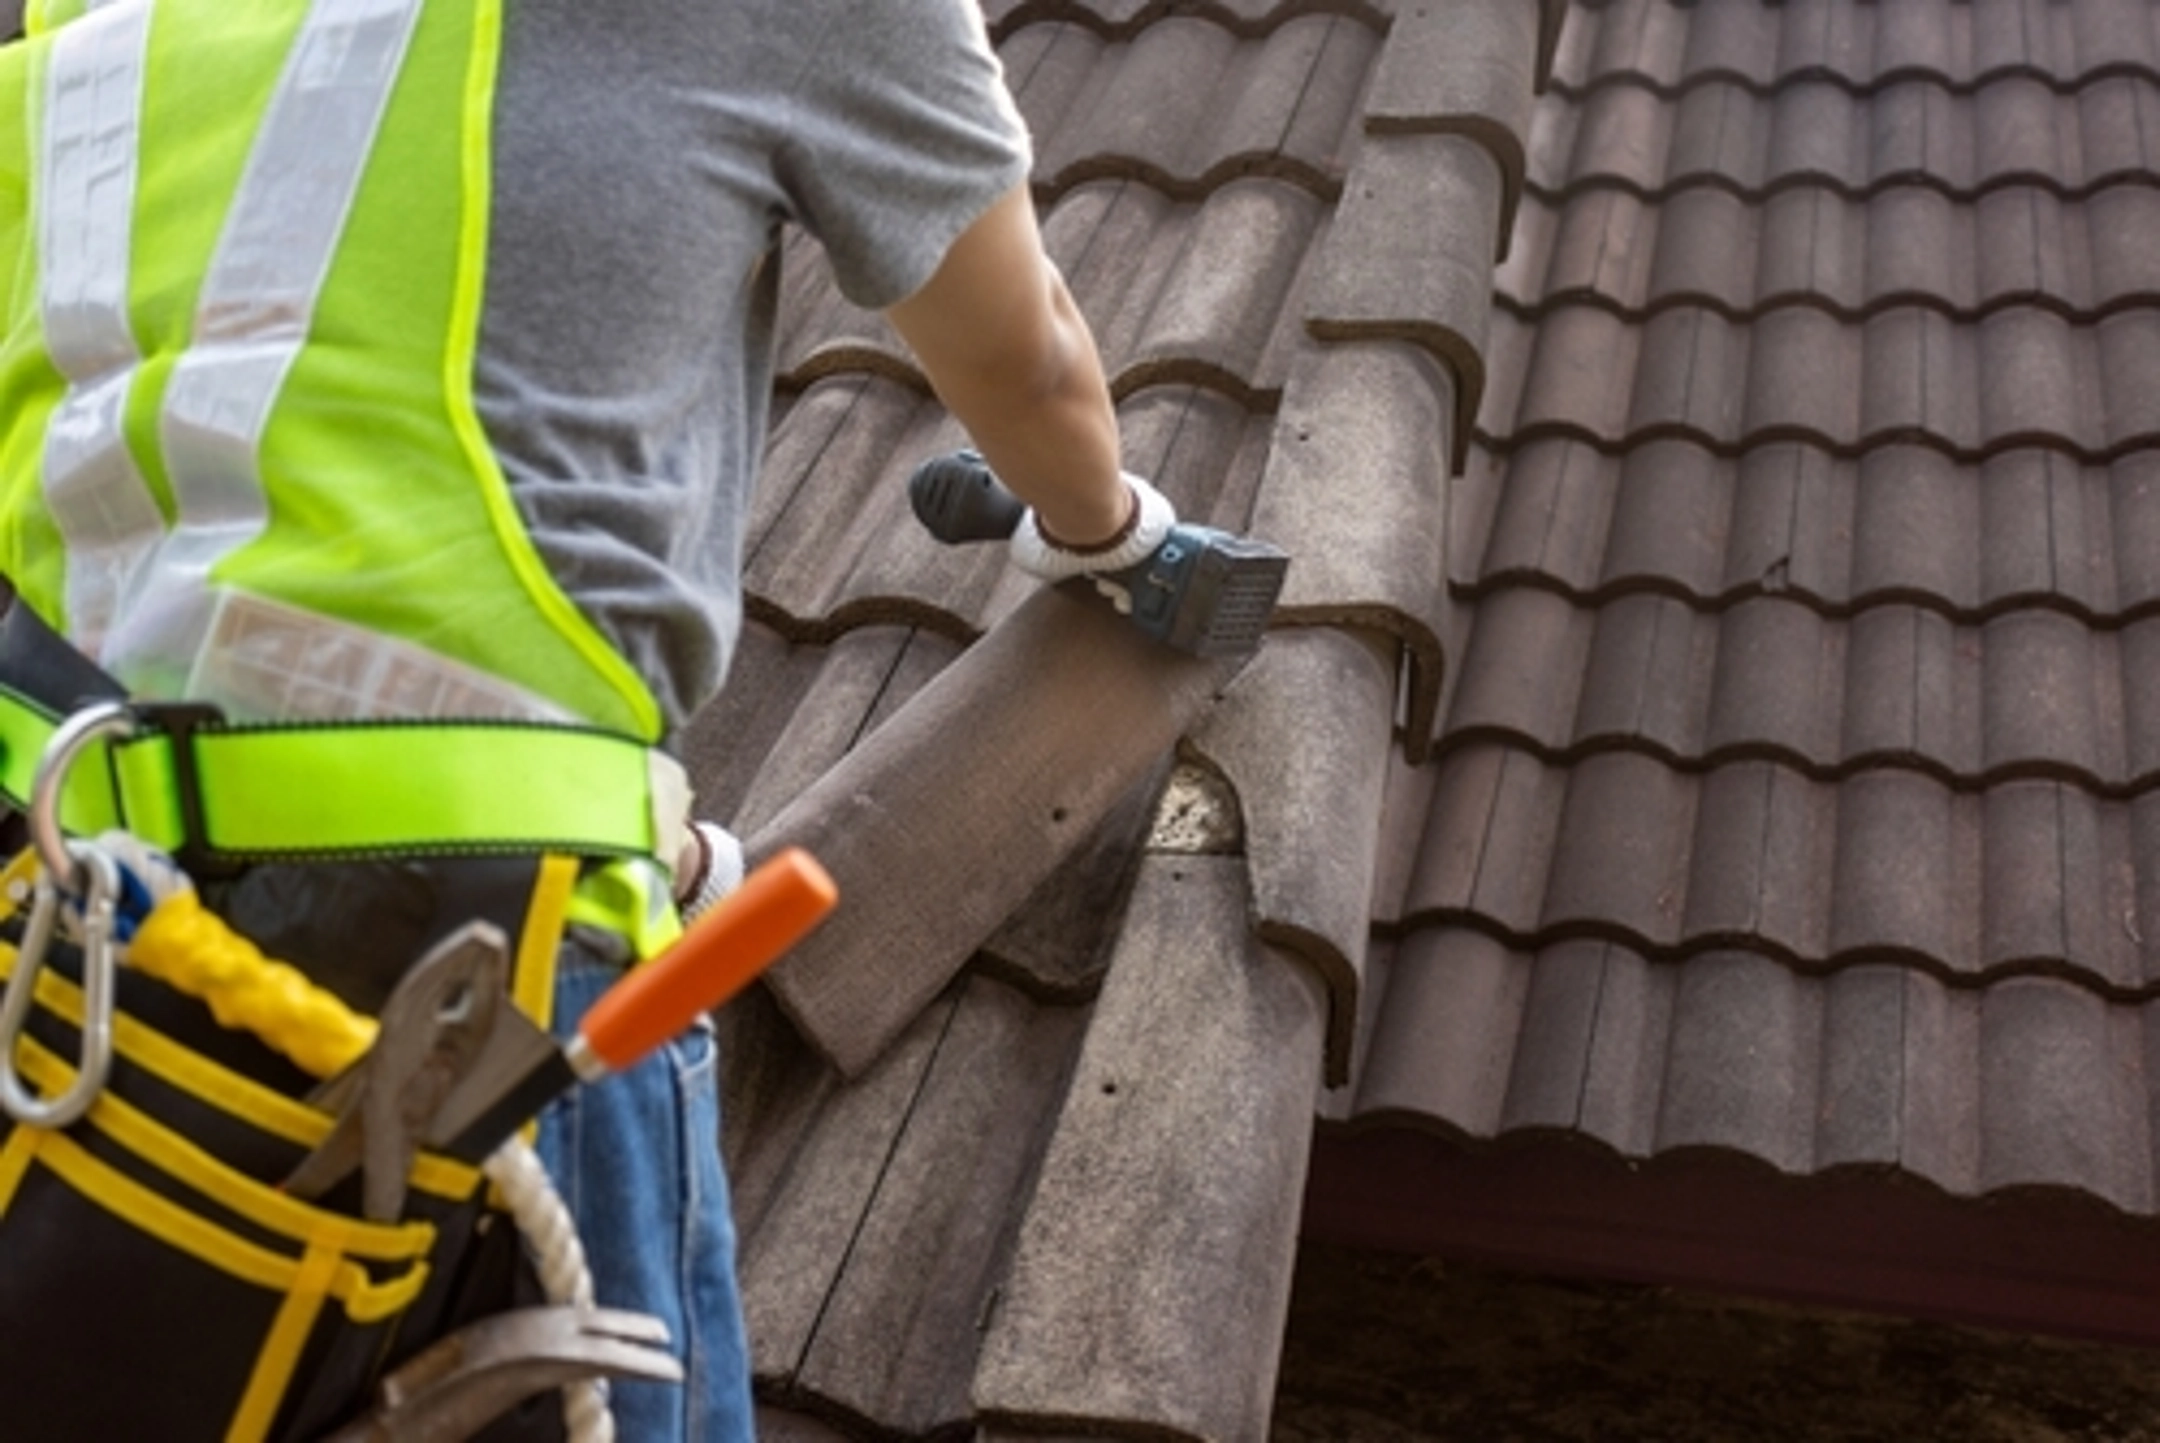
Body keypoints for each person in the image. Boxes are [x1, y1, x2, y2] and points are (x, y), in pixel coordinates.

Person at [0, 0, 1181, 1438]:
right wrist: (1108, 531)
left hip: (70, 941)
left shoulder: (79, 22)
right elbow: (1031, 361)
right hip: (477, 953)